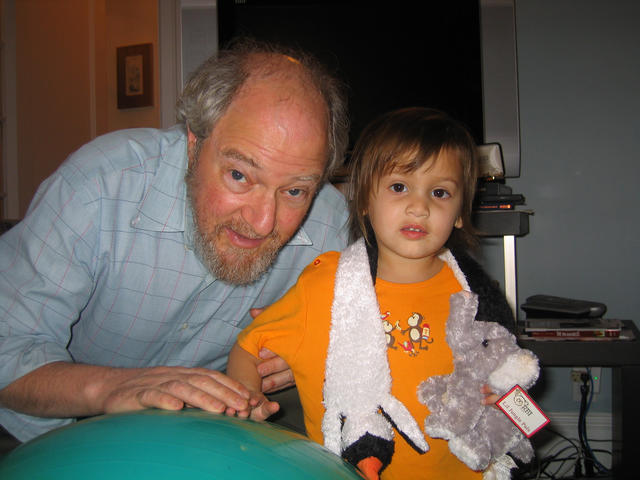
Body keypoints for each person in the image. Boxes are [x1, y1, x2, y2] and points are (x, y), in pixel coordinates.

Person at [0, 39, 350, 443]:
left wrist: (316, 353)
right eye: (239, 175)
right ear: (194, 142)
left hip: (192, 443)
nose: (262, 222)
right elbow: (7, 346)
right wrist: (114, 388)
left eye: (295, 191)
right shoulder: (98, 187)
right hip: (39, 431)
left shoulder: (329, 226)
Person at [227, 107, 515, 479]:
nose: (419, 207)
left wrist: (502, 394)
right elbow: (248, 346)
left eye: (440, 192)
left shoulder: (475, 296)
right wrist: (246, 400)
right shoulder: (324, 285)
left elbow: (508, 371)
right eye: (399, 187)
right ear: (364, 199)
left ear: (460, 212)